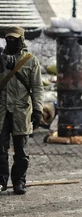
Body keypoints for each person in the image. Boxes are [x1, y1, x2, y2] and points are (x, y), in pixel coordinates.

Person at [0, 27, 43, 195]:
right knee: (0, 150)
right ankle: (1, 181)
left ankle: (19, 181)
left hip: (21, 112)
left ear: (22, 39)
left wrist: (38, 110)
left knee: (21, 151)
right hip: (2, 112)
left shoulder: (31, 61)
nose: (11, 42)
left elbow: (37, 88)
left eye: (15, 39)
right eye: (8, 39)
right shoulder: (0, 60)